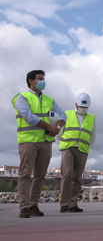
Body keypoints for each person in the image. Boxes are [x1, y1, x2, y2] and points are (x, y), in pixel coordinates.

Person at [12, 70, 66, 218]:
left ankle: (33, 205)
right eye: (40, 79)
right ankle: (24, 207)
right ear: (31, 81)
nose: (43, 81)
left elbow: (63, 114)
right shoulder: (22, 98)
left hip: (45, 142)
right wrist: (50, 127)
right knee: (25, 174)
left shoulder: (49, 100)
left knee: (40, 176)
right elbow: (28, 117)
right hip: (28, 141)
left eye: (43, 79)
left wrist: (58, 128)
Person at [58, 93, 96, 213]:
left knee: (77, 177)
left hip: (82, 149)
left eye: (86, 107)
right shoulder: (66, 114)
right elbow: (59, 133)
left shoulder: (92, 118)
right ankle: (64, 204)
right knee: (67, 174)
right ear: (76, 104)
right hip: (68, 148)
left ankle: (73, 204)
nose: (83, 109)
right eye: (81, 106)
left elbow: (93, 136)